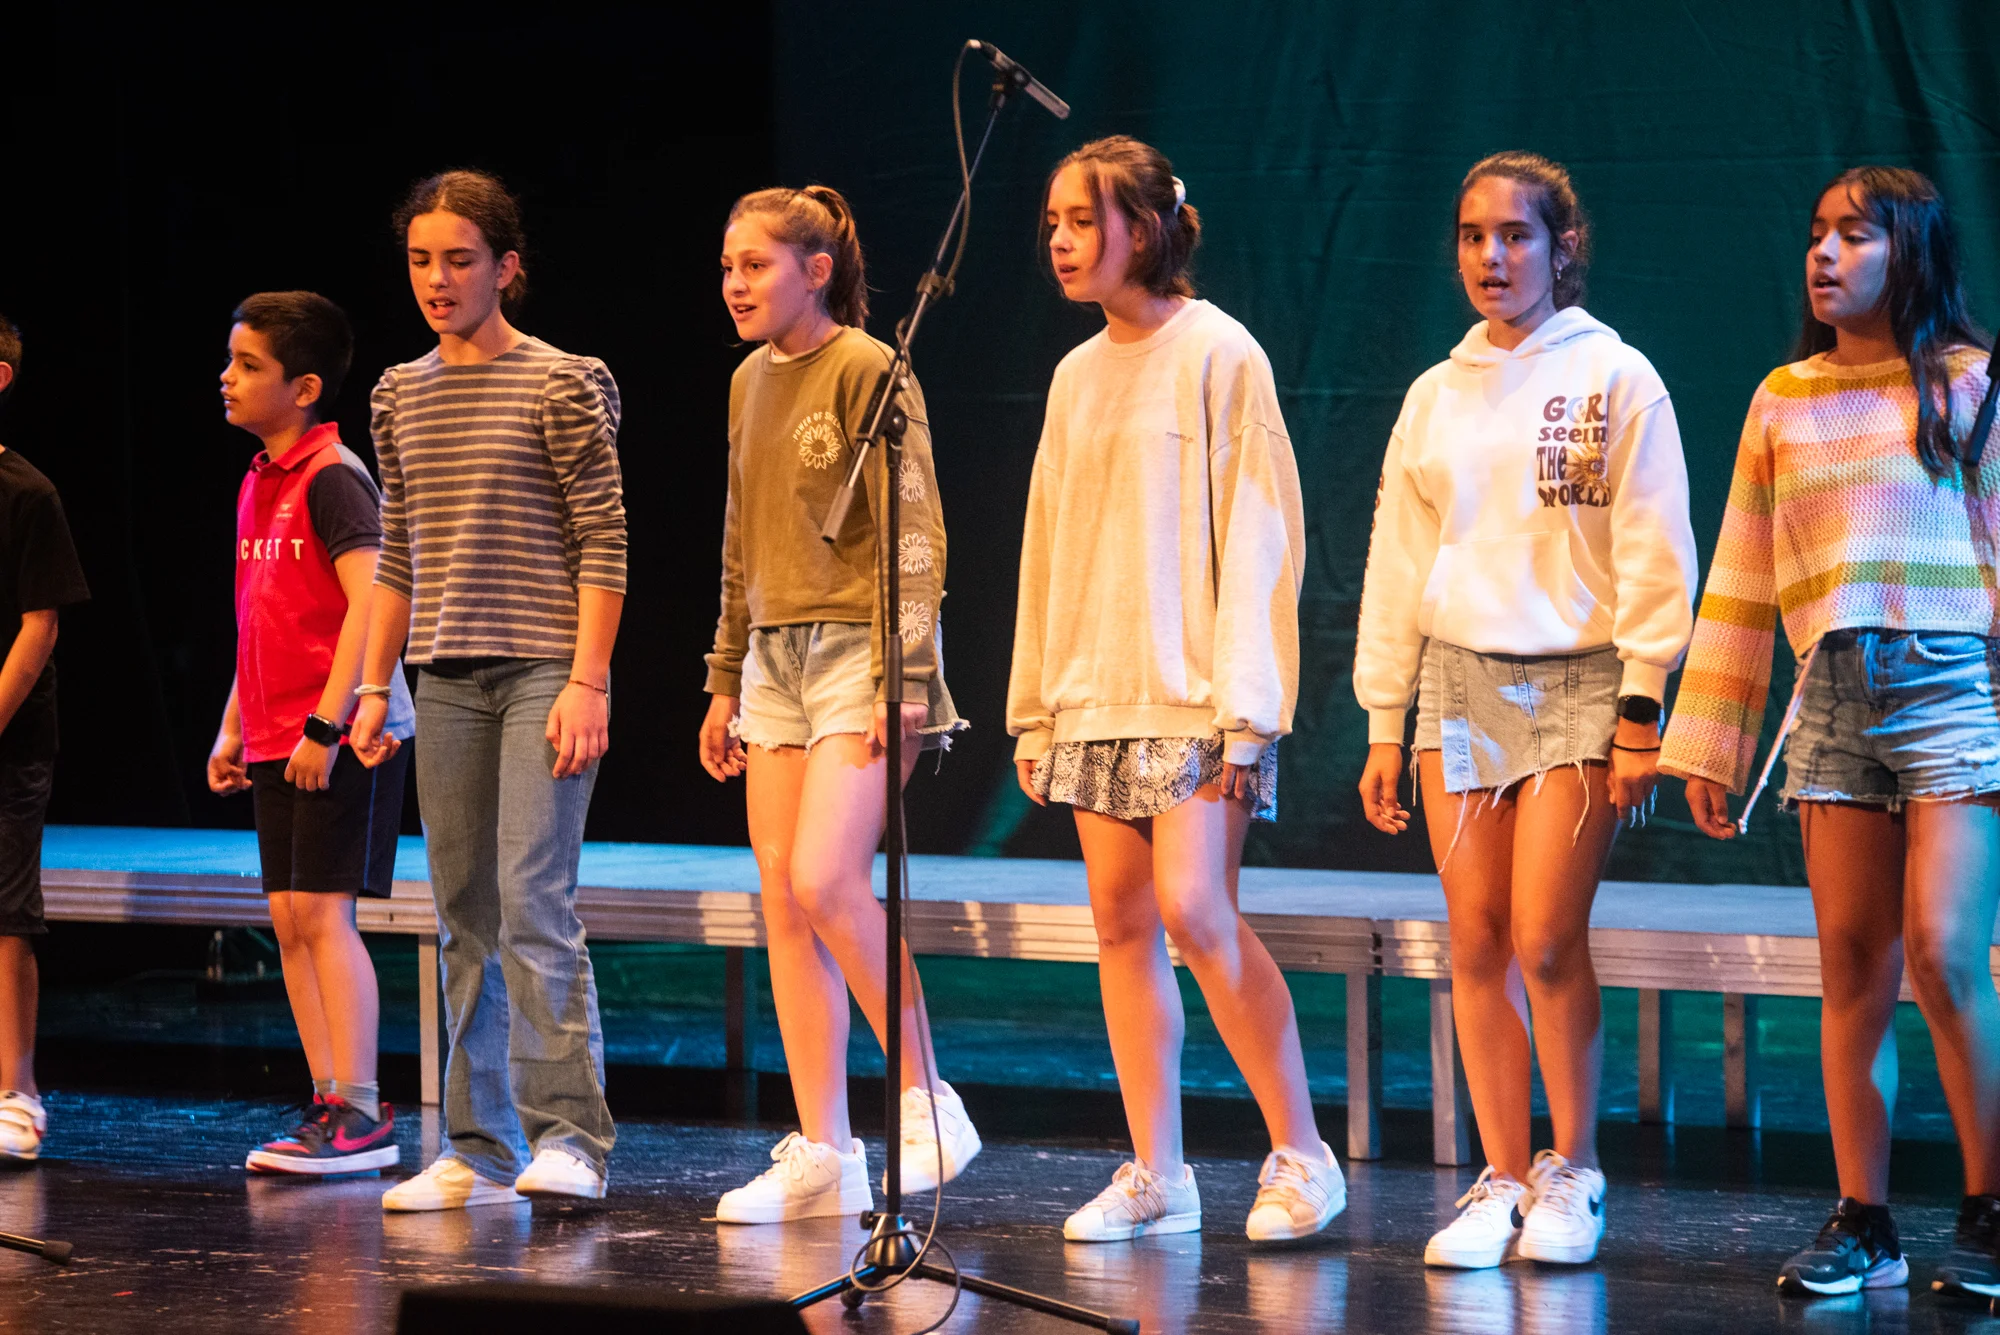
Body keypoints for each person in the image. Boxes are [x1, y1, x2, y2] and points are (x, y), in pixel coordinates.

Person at [1354, 152, 1697, 1268]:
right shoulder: (1434, 392)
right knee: (1476, 940)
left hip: (1580, 679)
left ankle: (1572, 1170)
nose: (1491, 257)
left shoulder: (1615, 375)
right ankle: (1499, 1177)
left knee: (1546, 936)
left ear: (1562, 246)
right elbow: (1396, 562)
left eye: (1514, 235)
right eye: (1472, 236)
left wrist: (1642, 705)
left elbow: (1654, 548)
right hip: (1456, 683)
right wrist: (1382, 717)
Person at [1662, 166, 1997, 1299]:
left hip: (1952, 690)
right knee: (1852, 966)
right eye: (1816, 233)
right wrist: (1711, 740)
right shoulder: (1783, 397)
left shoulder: (1969, 385)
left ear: (1912, 253)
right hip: (1830, 699)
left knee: (1945, 955)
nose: (1824, 253)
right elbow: (1742, 572)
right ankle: (1865, 1220)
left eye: (1855, 235)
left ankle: (1990, 1210)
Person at [1008, 136, 1342, 1244]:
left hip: (1197, 695)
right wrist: (1035, 704)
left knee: (1196, 912)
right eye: (1053, 223)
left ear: (1143, 229)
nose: (1061, 241)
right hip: (1095, 690)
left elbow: (1260, 532)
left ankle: (1302, 1152)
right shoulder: (1073, 375)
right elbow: (1048, 540)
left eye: (1082, 220)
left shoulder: (1218, 351)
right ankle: (1160, 1170)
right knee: (1119, 925)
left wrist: (1248, 709)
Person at [699, 185, 978, 1225]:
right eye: (727, 267)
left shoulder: (866, 366)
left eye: (755, 265)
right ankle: (825, 1150)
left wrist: (906, 670)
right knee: (781, 896)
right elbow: (740, 538)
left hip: (860, 651)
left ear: (814, 271)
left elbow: (916, 529)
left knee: (826, 877)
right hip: (771, 657)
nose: (735, 285)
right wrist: (722, 675)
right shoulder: (745, 382)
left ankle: (927, 1095)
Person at [348, 170, 626, 1211]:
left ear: (506, 267)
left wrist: (589, 679)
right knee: (461, 912)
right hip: (446, 674)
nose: (438, 278)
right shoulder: (399, 393)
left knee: (532, 902)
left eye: (459, 259)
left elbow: (604, 540)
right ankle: (477, 1147)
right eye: (421, 260)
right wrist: (371, 687)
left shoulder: (561, 381)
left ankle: (571, 1140)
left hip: (545, 667)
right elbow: (398, 557)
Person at [207, 292, 414, 1176]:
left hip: (341, 733)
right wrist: (233, 725)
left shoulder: (334, 476)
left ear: (305, 387)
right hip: (276, 734)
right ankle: (328, 1099)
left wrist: (328, 726)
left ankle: (361, 1109)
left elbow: (371, 604)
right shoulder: (261, 479)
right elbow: (260, 617)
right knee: (289, 918)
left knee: (325, 915)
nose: (227, 377)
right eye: (231, 360)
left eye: (248, 365)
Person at [0, 314, 89, 1162]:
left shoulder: (27, 493)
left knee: (4, 912)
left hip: (9, 738)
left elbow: (40, 625)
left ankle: (16, 1089)